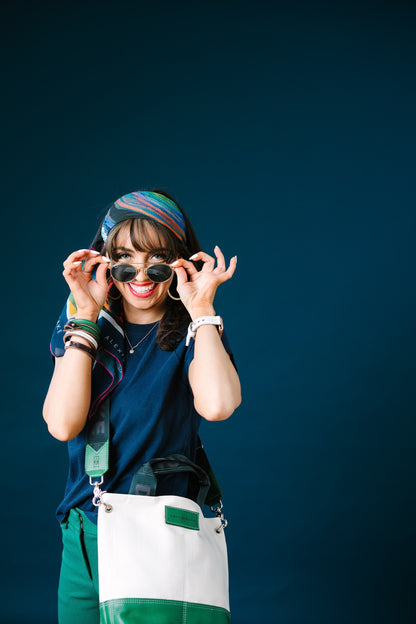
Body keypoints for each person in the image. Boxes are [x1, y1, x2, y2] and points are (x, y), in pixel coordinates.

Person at [43, 189, 241, 624]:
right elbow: (62, 423)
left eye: (158, 259)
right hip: (88, 535)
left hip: (161, 538)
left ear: (180, 262)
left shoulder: (195, 331)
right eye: (125, 258)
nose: (142, 274)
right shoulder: (84, 320)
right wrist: (85, 316)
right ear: (104, 260)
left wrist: (202, 309)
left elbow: (219, 405)